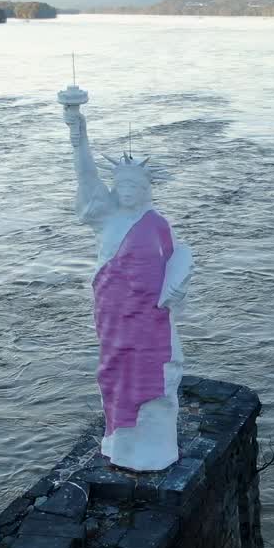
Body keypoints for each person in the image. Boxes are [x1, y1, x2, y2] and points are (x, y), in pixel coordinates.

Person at [64, 103, 192, 472]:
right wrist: (78, 135)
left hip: (151, 318)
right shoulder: (107, 216)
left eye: (135, 186)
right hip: (113, 311)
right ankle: (120, 442)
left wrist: (178, 291)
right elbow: (86, 177)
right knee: (114, 372)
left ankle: (153, 448)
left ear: (148, 189)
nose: (128, 192)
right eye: (121, 186)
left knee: (159, 374)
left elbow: (176, 267)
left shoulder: (157, 224)